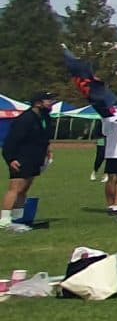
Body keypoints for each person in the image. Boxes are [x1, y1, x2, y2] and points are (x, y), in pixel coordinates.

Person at [2, 91, 55, 230]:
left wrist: (48, 151)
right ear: (38, 103)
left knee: (24, 189)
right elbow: (10, 141)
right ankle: (4, 219)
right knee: (15, 188)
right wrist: (11, 159)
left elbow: (44, 137)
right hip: (21, 158)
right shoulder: (25, 119)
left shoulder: (44, 118)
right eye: (47, 100)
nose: (51, 103)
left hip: (34, 158)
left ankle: (18, 217)